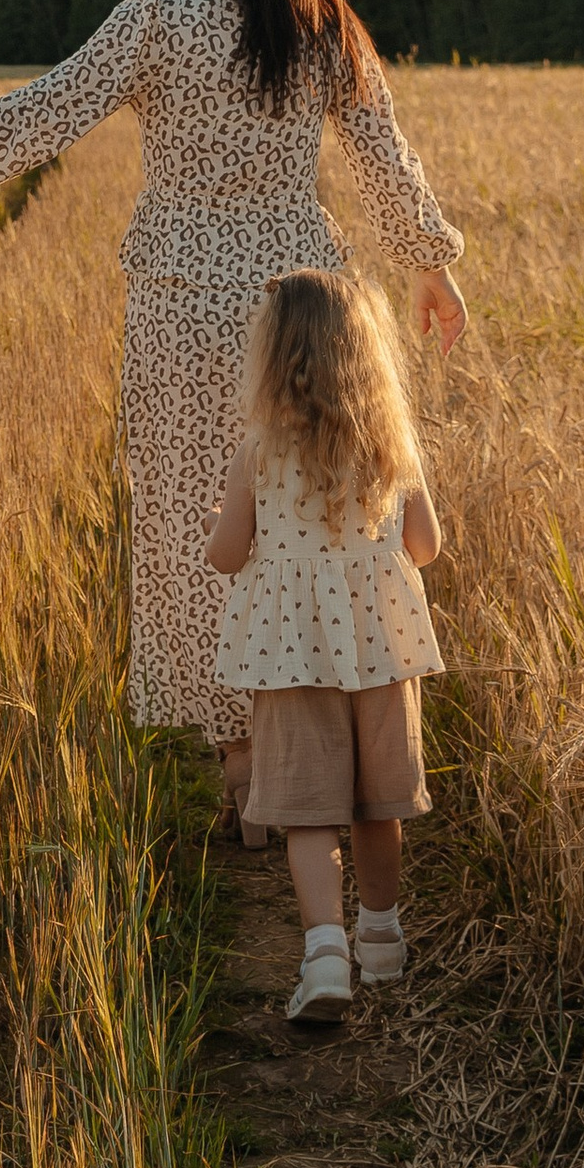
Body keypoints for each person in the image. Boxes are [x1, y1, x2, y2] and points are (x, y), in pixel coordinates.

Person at [0, 0, 464, 787]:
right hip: (304, 318)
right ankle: (322, 728)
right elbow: (386, 159)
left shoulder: (156, 24)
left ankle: (244, 761)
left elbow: (39, 114)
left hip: (180, 312)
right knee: (311, 516)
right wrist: (430, 264)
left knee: (192, 532)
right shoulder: (327, 29)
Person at [204, 267, 444, 1028]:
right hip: (380, 648)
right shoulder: (391, 447)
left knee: (308, 808)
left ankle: (324, 955)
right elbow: (427, 546)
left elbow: (226, 554)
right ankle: (381, 939)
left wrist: (238, 525)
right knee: (380, 804)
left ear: (273, 357)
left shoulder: (259, 452)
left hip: (289, 652)